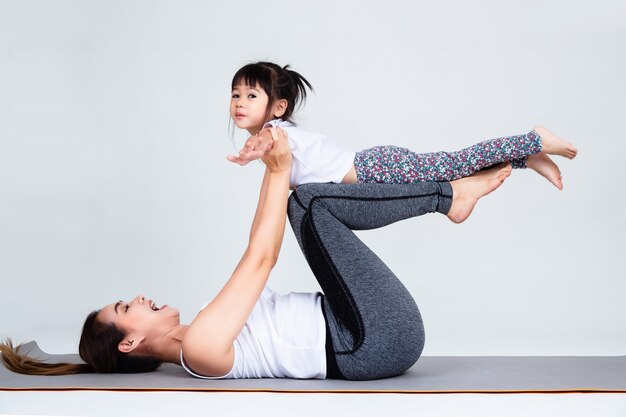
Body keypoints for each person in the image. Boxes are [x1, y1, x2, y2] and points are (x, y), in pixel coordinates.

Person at [1, 128, 516, 380]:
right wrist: (277, 169)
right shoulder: (199, 350)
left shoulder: (203, 326)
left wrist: (277, 169)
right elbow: (261, 259)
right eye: (124, 307)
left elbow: (259, 249)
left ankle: (449, 195)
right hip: (371, 341)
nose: (137, 297)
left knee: (304, 201)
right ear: (131, 341)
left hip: (357, 325)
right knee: (309, 203)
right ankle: (449, 197)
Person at [227, 61, 577, 190]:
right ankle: (527, 158)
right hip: (372, 164)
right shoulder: (275, 136)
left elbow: (262, 143)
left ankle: (533, 139)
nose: (240, 102)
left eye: (251, 96)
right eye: (236, 95)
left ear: (279, 106)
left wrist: (245, 154)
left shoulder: (274, 133)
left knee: (454, 165)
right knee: (452, 170)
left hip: (374, 167)